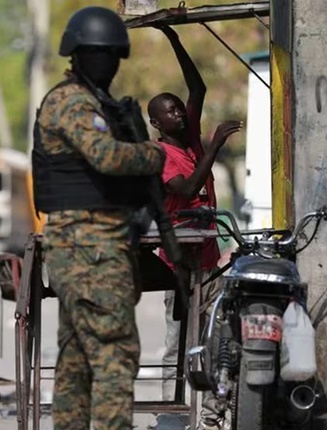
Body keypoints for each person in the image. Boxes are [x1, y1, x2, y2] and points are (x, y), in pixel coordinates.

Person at [32, 6, 166, 430]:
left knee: (76, 359)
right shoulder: (70, 100)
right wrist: (153, 155)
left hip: (96, 242)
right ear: (77, 55)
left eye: (111, 55)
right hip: (87, 244)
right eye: (97, 55)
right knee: (114, 353)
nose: (106, 63)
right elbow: (105, 156)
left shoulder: (98, 102)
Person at [147, 25, 242, 430]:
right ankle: (171, 417)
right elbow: (185, 189)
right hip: (179, 264)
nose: (179, 112)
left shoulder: (190, 142)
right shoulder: (161, 153)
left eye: (179, 108)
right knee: (179, 341)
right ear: (156, 123)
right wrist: (216, 146)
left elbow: (198, 89)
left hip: (207, 258)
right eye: (170, 111)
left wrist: (173, 39)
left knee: (217, 338)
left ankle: (210, 415)